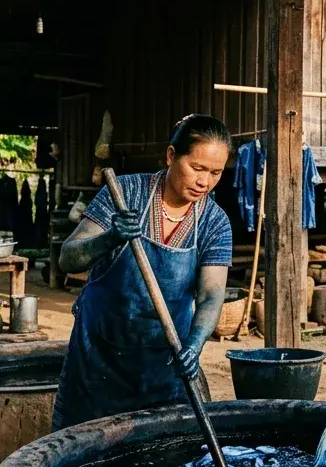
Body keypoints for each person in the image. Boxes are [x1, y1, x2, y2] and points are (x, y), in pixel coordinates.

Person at [52, 114, 234, 431]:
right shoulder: (125, 194)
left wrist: (194, 345)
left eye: (215, 173)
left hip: (164, 362)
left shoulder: (214, 222)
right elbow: (68, 258)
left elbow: (211, 295)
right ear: (171, 155)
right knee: (85, 447)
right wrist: (110, 238)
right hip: (99, 356)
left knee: (164, 448)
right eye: (197, 168)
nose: (204, 182)